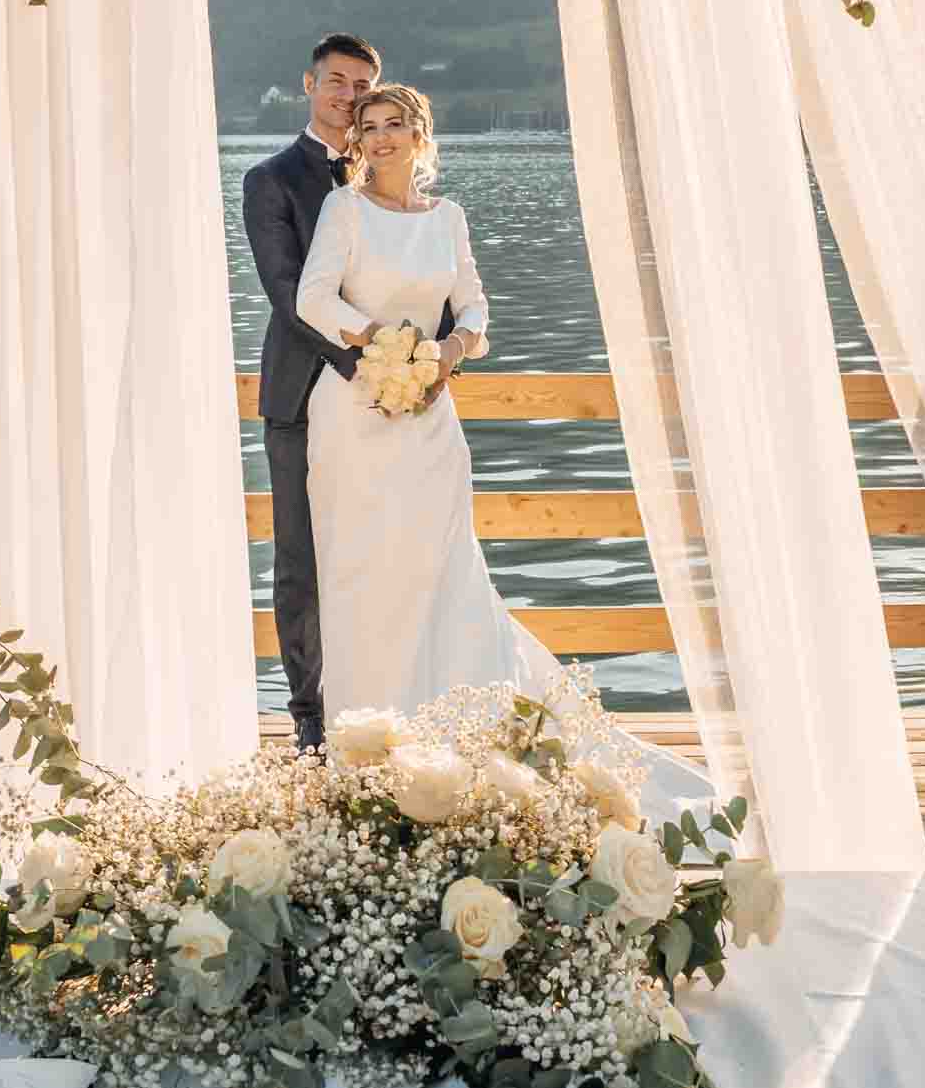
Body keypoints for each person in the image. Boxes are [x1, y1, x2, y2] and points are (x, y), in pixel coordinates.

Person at [296, 83, 710, 816]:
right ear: (357, 141)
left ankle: (457, 743)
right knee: (363, 576)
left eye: (396, 124)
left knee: (445, 570)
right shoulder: (344, 209)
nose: (383, 137)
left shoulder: (447, 216)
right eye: (370, 126)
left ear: (420, 136)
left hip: (429, 416)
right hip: (356, 415)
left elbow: (478, 307)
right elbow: (313, 299)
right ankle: (367, 753)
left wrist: (450, 348)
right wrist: (381, 341)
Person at [239, 32, 381, 751]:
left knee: (373, 550)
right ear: (310, 83)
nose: (347, 94)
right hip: (300, 395)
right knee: (300, 561)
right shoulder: (270, 180)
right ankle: (308, 720)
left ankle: (377, 701)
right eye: (336, 80)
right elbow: (288, 293)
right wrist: (368, 360)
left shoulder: (383, 180)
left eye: (360, 84)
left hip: (381, 405)